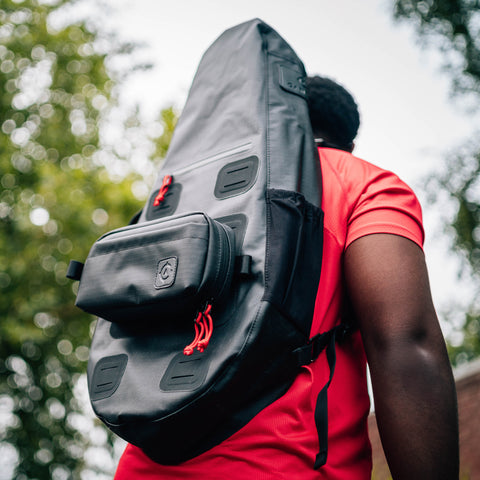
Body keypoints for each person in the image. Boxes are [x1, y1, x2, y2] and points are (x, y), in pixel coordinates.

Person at [114, 76, 459, 479]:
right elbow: (404, 341)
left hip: (146, 465)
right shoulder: (364, 184)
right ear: (347, 142)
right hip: (286, 466)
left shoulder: (198, 194)